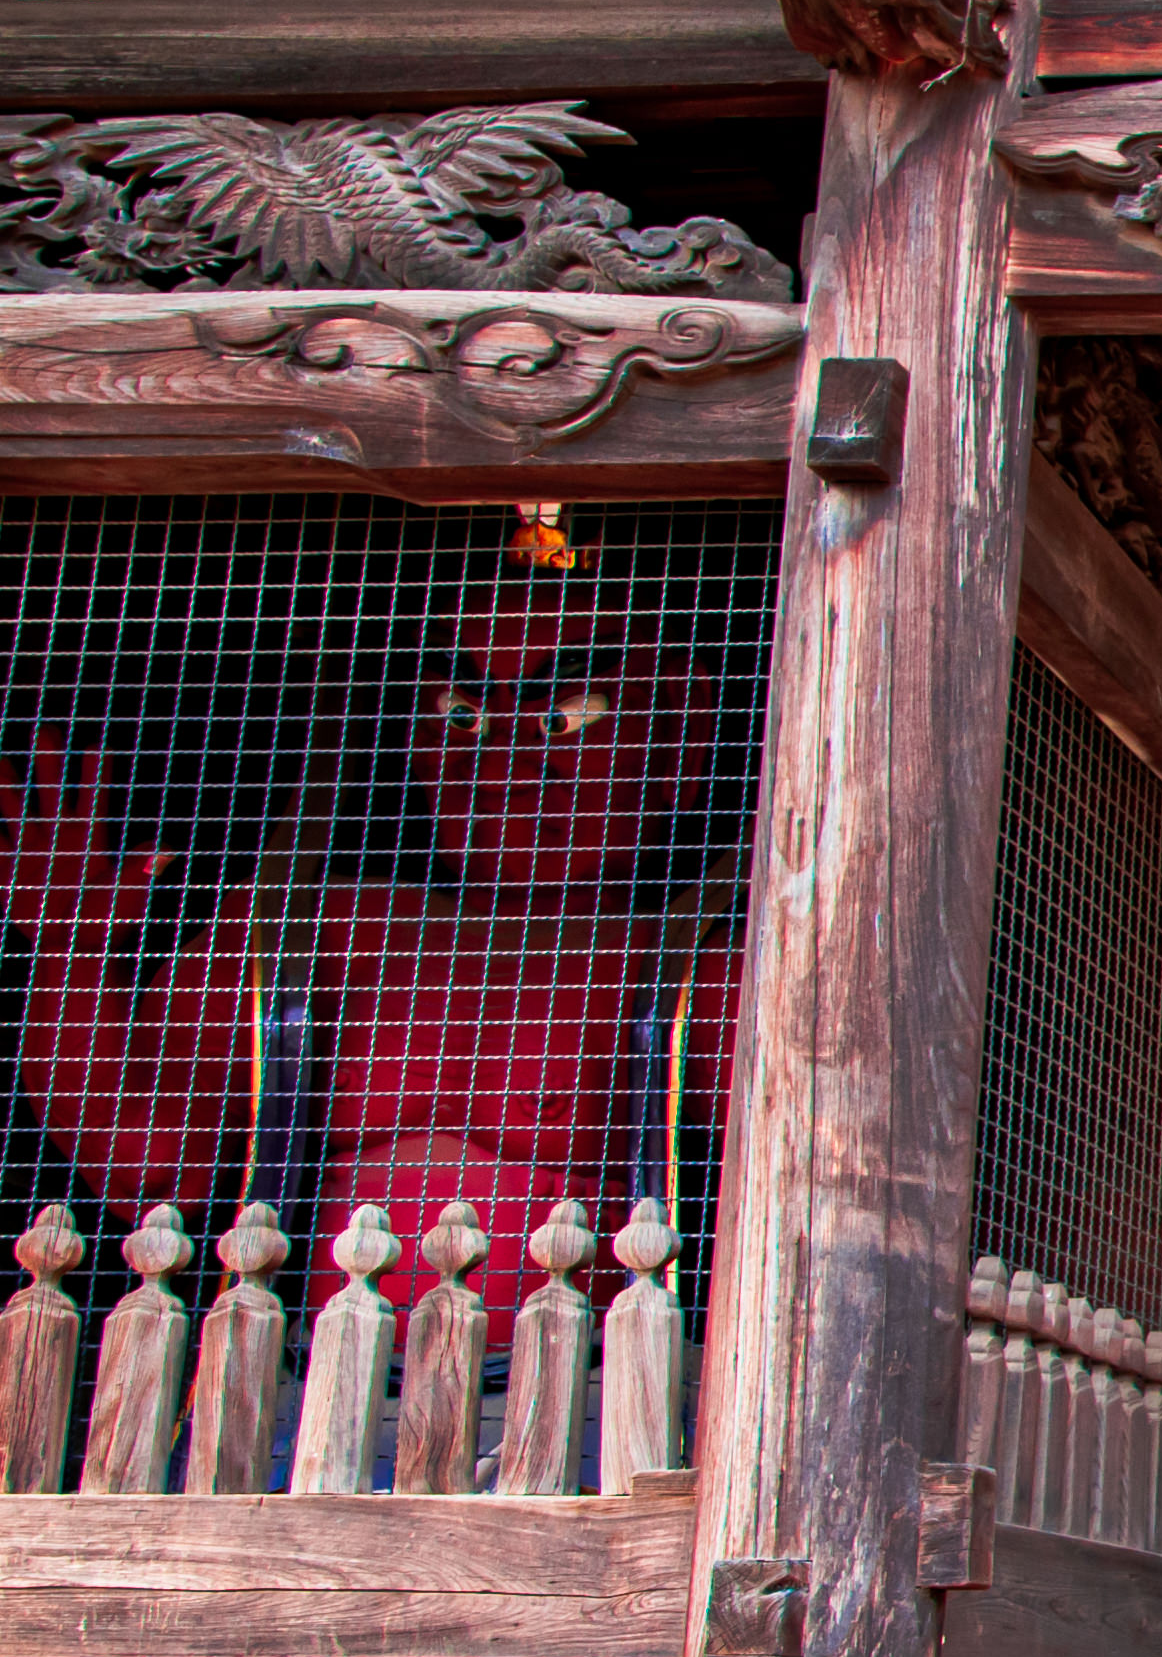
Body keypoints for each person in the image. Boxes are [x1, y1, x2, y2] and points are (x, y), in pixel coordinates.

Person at [0, 538, 749, 1327]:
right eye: (460, 716)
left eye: (567, 716)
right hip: (312, 1369)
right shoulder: (319, 924)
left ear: (681, 726)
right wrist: (71, 950)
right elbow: (152, 1175)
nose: (501, 760)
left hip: (575, 1376)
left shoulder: (687, 962)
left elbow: (809, 1176)